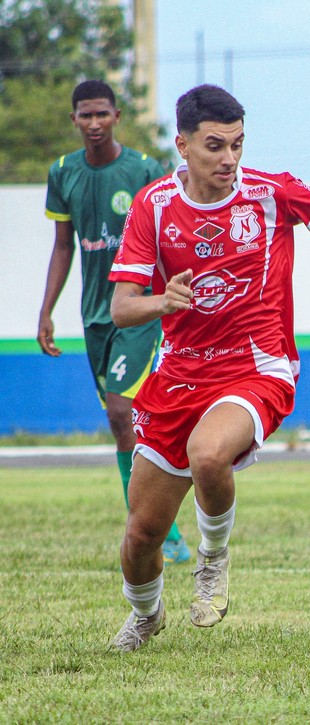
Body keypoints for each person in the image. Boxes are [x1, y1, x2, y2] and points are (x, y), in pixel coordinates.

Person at [107, 84, 310, 652]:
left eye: (238, 145)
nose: (229, 159)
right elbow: (123, 307)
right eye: (215, 146)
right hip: (178, 375)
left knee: (208, 454)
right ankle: (146, 615)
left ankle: (213, 559)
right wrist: (161, 302)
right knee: (141, 534)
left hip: (257, 367)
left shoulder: (271, 195)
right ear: (183, 145)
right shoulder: (154, 206)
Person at [38, 80, 193, 565]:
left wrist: (173, 298)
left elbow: (169, 233)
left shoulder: (145, 169)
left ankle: (153, 528)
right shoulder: (63, 172)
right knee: (121, 424)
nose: (94, 123)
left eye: (102, 114)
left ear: (117, 116)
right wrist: (46, 310)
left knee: (120, 411)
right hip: (95, 316)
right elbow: (64, 245)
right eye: (85, 115)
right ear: (75, 121)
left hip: (139, 311)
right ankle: (153, 518)